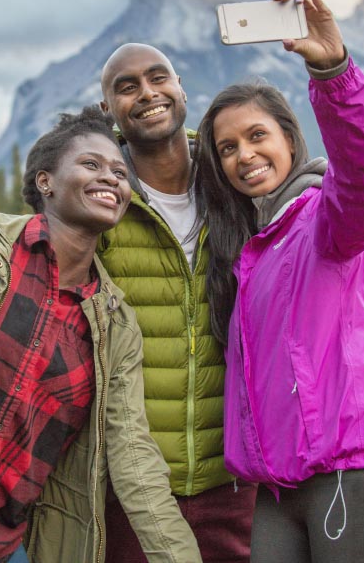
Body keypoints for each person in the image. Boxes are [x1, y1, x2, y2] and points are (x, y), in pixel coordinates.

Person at [189, 0, 364, 563]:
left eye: (256, 136)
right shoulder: (250, 250)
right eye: (226, 148)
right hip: (272, 490)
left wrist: (334, 74)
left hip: (341, 474)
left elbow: (360, 170)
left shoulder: (328, 220)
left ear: (290, 140)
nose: (243, 155)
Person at [0, 106, 199, 563]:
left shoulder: (117, 328)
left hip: (5, 545)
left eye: (120, 173)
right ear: (46, 182)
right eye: (91, 165)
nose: (112, 179)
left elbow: (134, 458)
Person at [96, 40, 256, 560]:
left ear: (181, 87)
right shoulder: (97, 206)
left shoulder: (240, 186)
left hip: (235, 478)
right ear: (108, 112)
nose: (147, 93)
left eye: (157, 77)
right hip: (131, 490)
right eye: (127, 87)